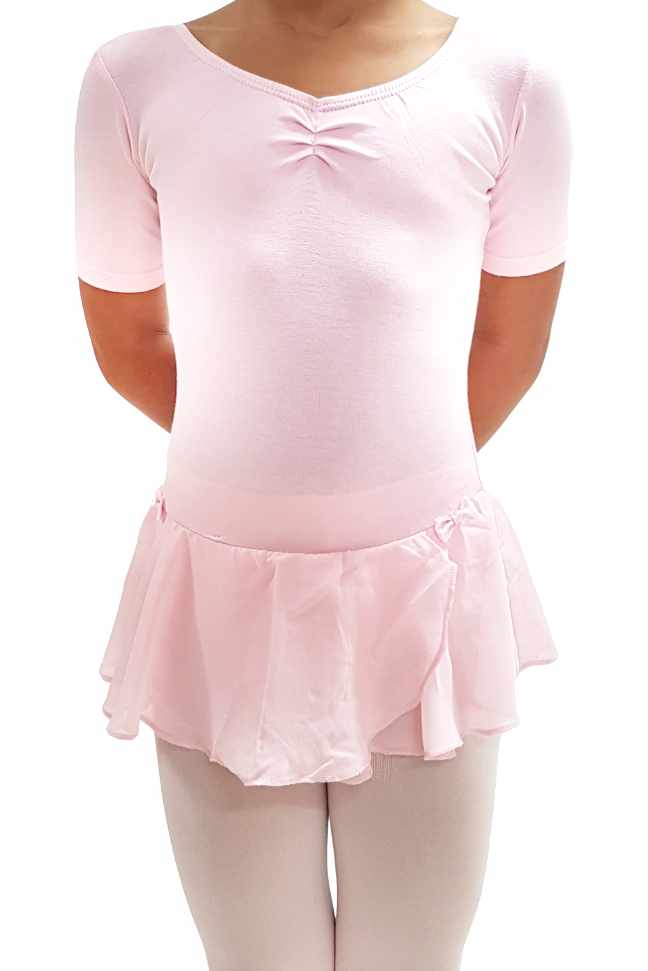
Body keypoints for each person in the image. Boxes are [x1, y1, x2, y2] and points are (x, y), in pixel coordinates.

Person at [73, 2, 572, 968]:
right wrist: (268, 470)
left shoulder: (511, 85)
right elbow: (127, 339)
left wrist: (381, 484)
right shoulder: (132, 81)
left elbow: (509, 341)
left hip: (423, 594)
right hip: (222, 594)